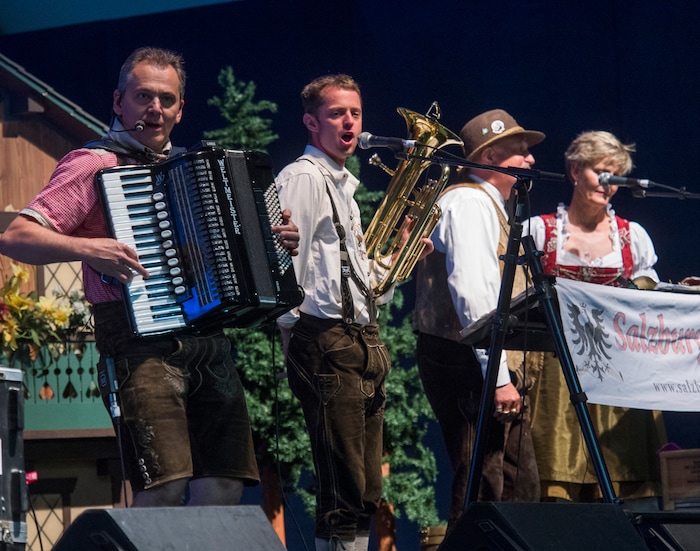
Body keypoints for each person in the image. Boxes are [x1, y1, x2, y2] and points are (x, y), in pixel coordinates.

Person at [0, 46, 300, 507]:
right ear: (119, 102)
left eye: (166, 99)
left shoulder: (189, 166)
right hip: (136, 341)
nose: (154, 108)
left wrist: (275, 240)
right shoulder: (94, 164)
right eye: (143, 96)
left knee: (222, 485)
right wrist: (87, 248)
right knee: (164, 485)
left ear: (181, 110)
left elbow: (234, 252)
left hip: (208, 340)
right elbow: (16, 235)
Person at [275, 74, 431, 551]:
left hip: (362, 340)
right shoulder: (303, 177)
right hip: (325, 341)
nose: (349, 122)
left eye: (356, 113)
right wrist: (295, 347)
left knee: (365, 490)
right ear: (311, 122)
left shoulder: (341, 184)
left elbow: (356, 283)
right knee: (342, 490)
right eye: (337, 113)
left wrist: (396, 261)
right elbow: (288, 272)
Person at [414, 109, 545, 527]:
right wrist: (499, 378)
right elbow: (473, 293)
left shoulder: (486, 204)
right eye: (520, 153)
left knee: (513, 484)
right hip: (470, 363)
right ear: (489, 158)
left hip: (484, 364)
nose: (531, 161)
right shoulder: (469, 202)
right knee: (481, 484)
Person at [523, 130, 662, 502]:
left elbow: (648, 309)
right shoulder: (540, 231)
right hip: (556, 373)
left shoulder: (633, 237)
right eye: (601, 172)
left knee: (619, 486)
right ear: (574, 170)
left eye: (616, 176)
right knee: (557, 489)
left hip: (620, 377)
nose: (609, 184)